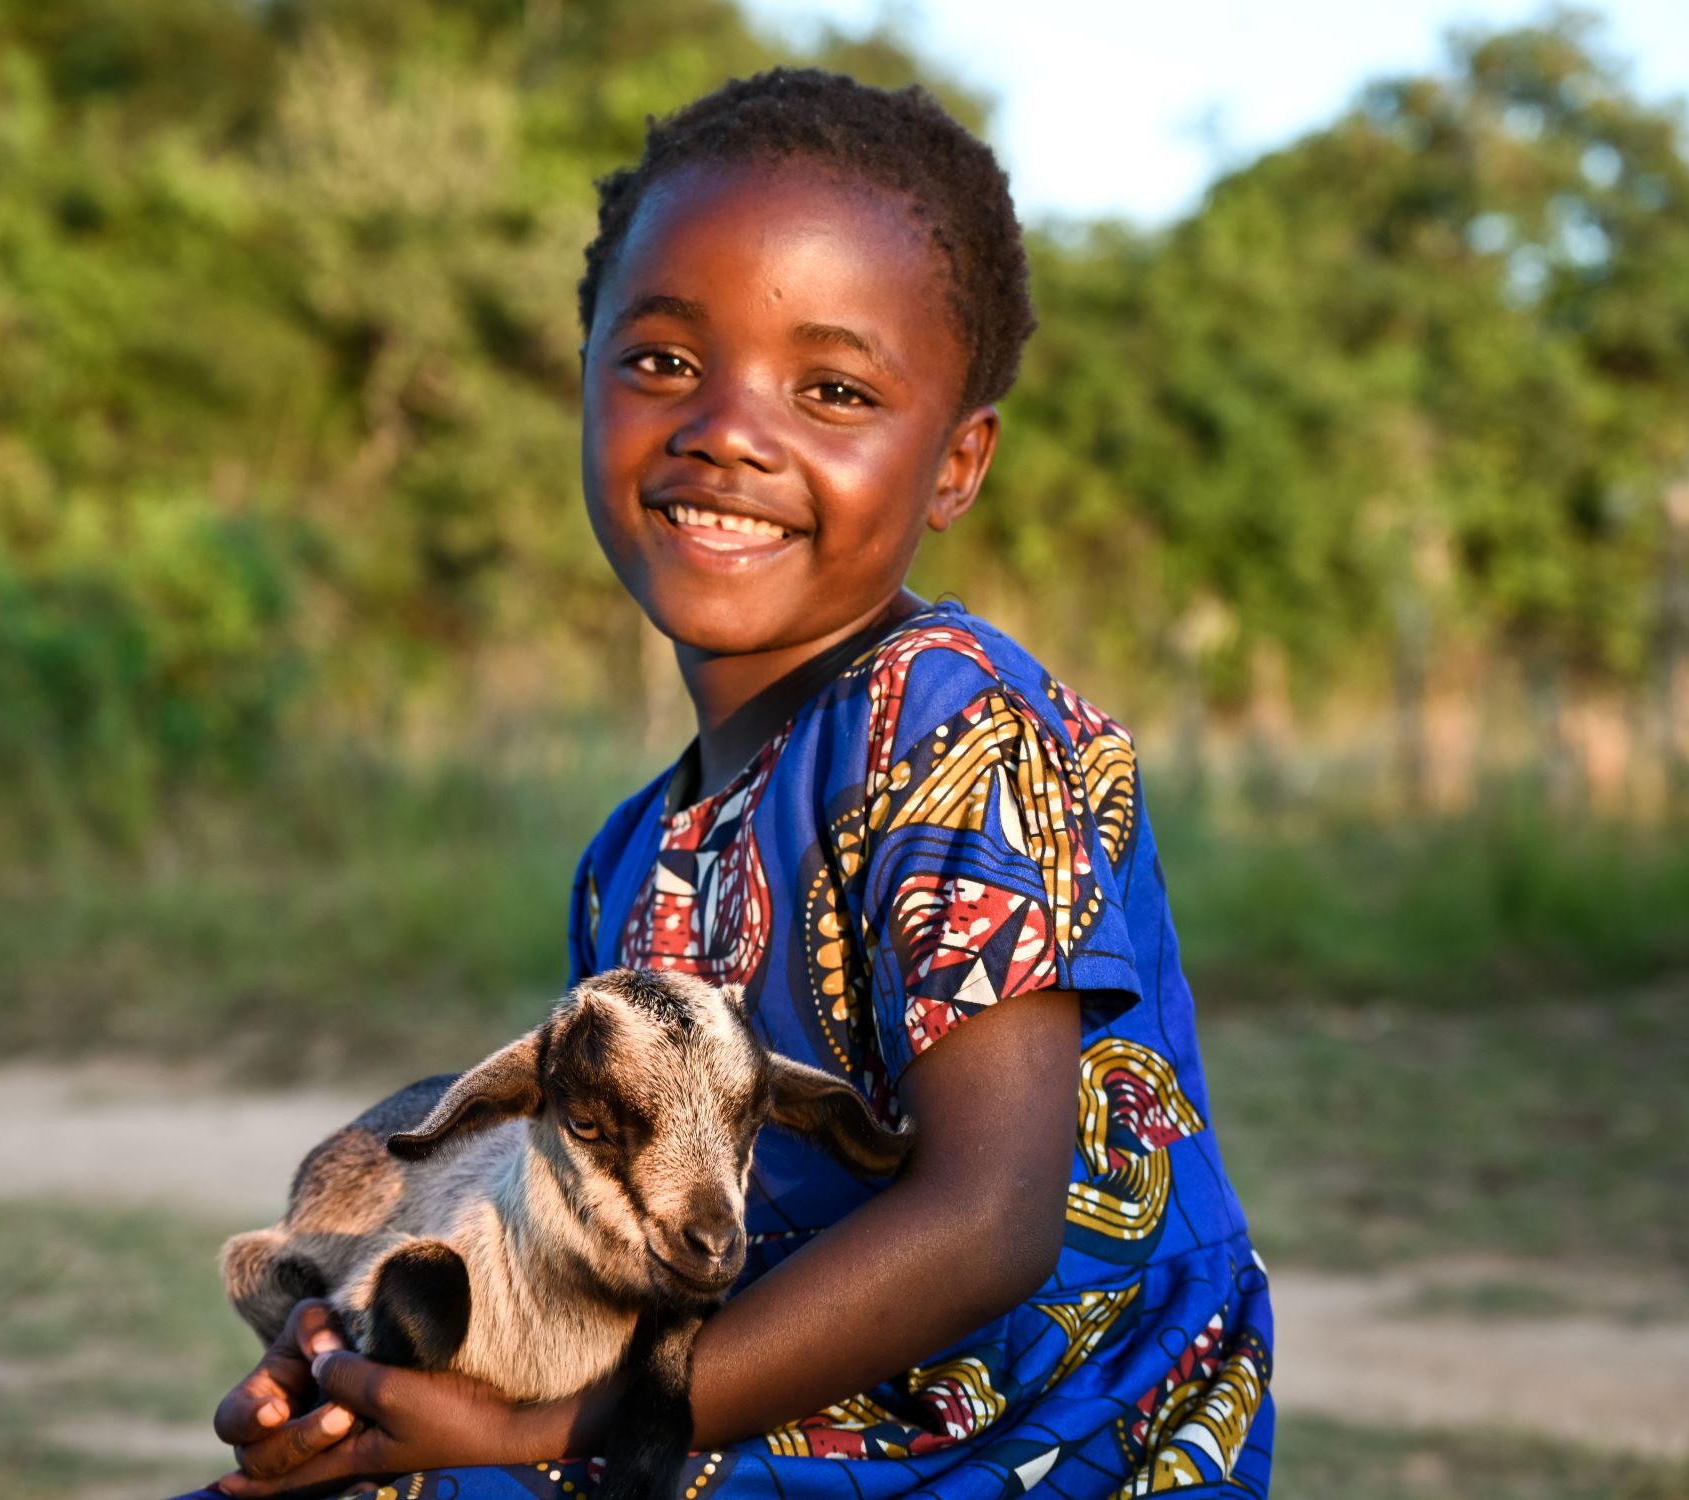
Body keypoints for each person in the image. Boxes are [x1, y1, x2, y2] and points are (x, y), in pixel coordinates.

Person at [187, 68, 1273, 1500]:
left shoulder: (957, 729)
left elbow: (990, 1220)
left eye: (831, 389)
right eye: (659, 363)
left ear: (954, 465)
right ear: (581, 378)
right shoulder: (629, 857)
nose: (726, 429)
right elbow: (598, 1247)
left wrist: (537, 1439)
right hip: (736, 1411)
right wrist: (363, 1375)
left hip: (1022, 1447)